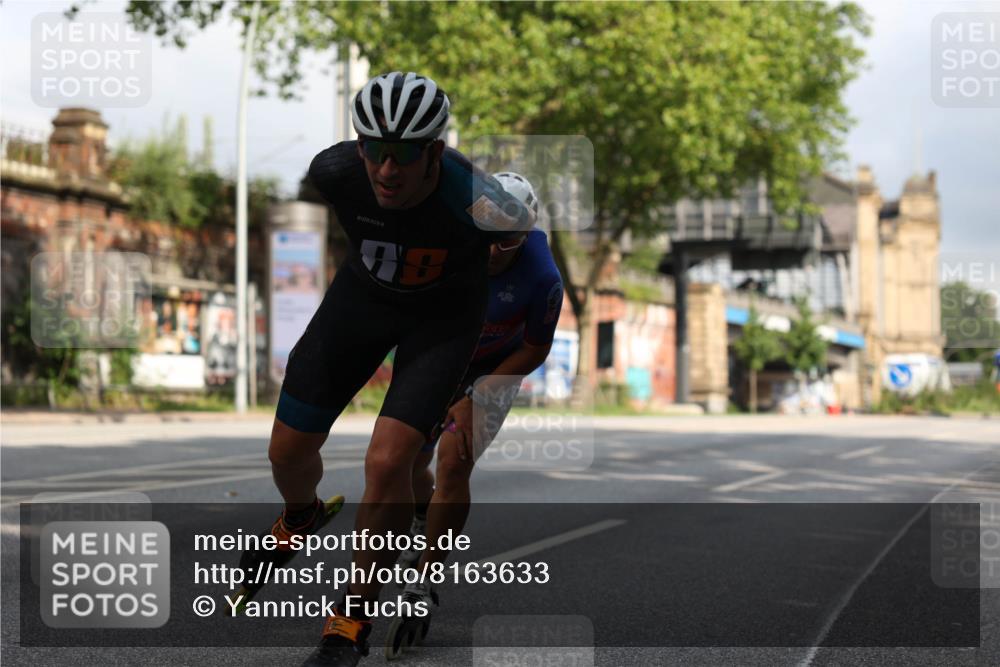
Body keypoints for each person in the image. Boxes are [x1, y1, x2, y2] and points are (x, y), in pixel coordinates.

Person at [245, 72, 532, 667]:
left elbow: (518, 232)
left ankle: (349, 623)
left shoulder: (482, 202)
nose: (386, 170)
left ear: (435, 151)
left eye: (404, 154)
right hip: (363, 303)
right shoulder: (334, 171)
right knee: (285, 452)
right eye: (373, 150)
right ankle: (300, 512)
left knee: (388, 461)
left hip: (442, 321)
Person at [393, 172, 563, 625]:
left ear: (525, 234)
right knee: (406, 458)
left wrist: (477, 395)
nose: (490, 252)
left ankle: (424, 578)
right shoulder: (450, 247)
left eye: (505, 243)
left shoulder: (542, 276)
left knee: (453, 460)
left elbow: (536, 347)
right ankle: (421, 515)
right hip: (445, 353)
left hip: (496, 367)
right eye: (484, 238)